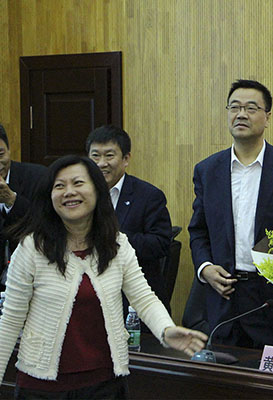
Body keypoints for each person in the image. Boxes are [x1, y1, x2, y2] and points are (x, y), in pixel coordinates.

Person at [0, 155, 206, 398]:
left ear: (98, 191)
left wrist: (166, 329)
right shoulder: (32, 248)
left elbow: (144, 297)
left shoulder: (117, 244)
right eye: (59, 186)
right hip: (40, 387)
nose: (69, 192)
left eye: (78, 183)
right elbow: (10, 319)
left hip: (105, 384)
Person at [186, 79, 273, 348]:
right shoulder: (208, 170)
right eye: (234, 107)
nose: (241, 114)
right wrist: (205, 268)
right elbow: (199, 230)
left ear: (267, 117)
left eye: (251, 108)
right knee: (223, 373)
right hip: (224, 297)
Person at [86, 126, 173, 311]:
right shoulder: (78, 196)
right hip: (87, 298)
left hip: (132, 302)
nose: (101, 163)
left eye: (109, 156)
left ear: (126, 159)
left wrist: (112, 237)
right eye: (95, 156)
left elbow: (161, 244)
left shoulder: (148, 196)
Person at [0, 124, 47, 291]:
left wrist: (12, 200)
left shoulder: (38, 177)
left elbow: (45, 221)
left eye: (1, 154)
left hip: (32, 276)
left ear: (9, 150)